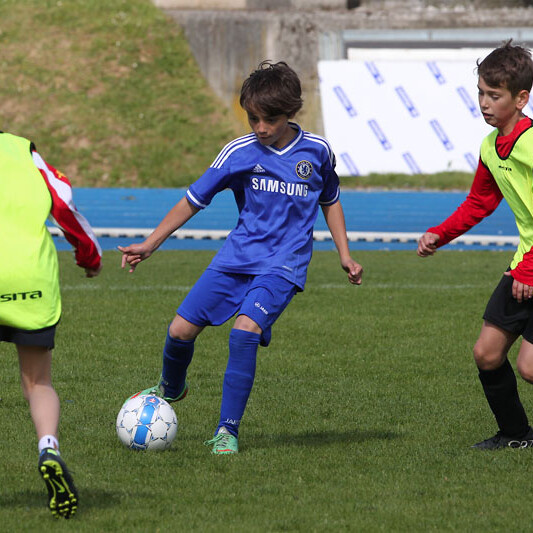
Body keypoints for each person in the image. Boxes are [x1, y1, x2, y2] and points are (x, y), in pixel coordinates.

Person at [119, 60, 363, 455]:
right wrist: (150, 244)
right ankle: (171, 388)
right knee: (179, 331)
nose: (260, 127)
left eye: (270, 120)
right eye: (253, 119)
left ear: (291, 112)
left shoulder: (317, 152)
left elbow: (330, 199)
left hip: (284, 264)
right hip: (236, 258)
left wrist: (345, 255)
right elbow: (193, 199)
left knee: (244, 332)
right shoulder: (238, 152)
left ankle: (226, 431)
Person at [417, 40, 533, 449]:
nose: (484, 103)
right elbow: (480, 201)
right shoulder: (489, 145)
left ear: (521, 98)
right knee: (487, 353)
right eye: (481, 93)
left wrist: (528, 270)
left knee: (530, 367)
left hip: (530, 268)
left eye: (494, 95)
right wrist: (441, 233)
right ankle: (516, 435)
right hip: (525, 265)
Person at [0, 132, 102, 518]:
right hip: (29, 279)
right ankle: (48, 448)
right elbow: (62, 202)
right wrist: (89, 256)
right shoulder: (21, 149)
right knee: (38, 383)